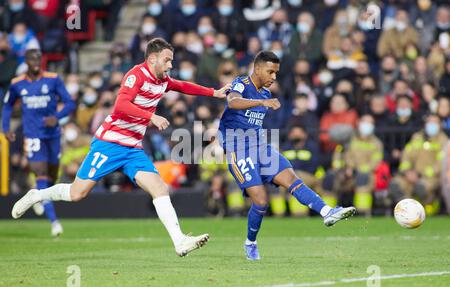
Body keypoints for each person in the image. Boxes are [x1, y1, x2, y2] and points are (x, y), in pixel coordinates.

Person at [11, 38, 231, 257]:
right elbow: (121, 106)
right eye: (167, 60)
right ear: (152, 58)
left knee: (160, 188)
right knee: (77, 193)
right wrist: (151, 117)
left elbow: (184, 86)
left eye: (171, 61)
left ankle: (179, 241)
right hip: (110, 144)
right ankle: (37, 195)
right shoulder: (136, 75)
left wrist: (215, 93)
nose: (170, 65)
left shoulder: (163, 79)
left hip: (132, 149)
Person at [218, 51, 356, 261]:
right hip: (239, 150)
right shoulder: (241, 83)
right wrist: (261, 104)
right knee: (261, 201)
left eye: (276, 73)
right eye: (270, 71)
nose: (274, 77)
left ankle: (327, 212)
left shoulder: (265, 93)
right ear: (257, 69)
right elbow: (233, 103)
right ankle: (250, 243)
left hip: (260, 148)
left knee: (291, 178)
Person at [2, 49, 76, 236]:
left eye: (38, 58)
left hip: (53, 134)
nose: (36, 61)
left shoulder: (53, 79)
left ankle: (37, 196)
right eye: (32, 59)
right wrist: (5, 128)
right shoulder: (17, 84)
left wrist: (57, 117)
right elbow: (8, 105)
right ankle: (54, 222)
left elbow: (70, 103)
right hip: (33, 134)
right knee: (40, 173)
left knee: (51, 178)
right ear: (26, 61)